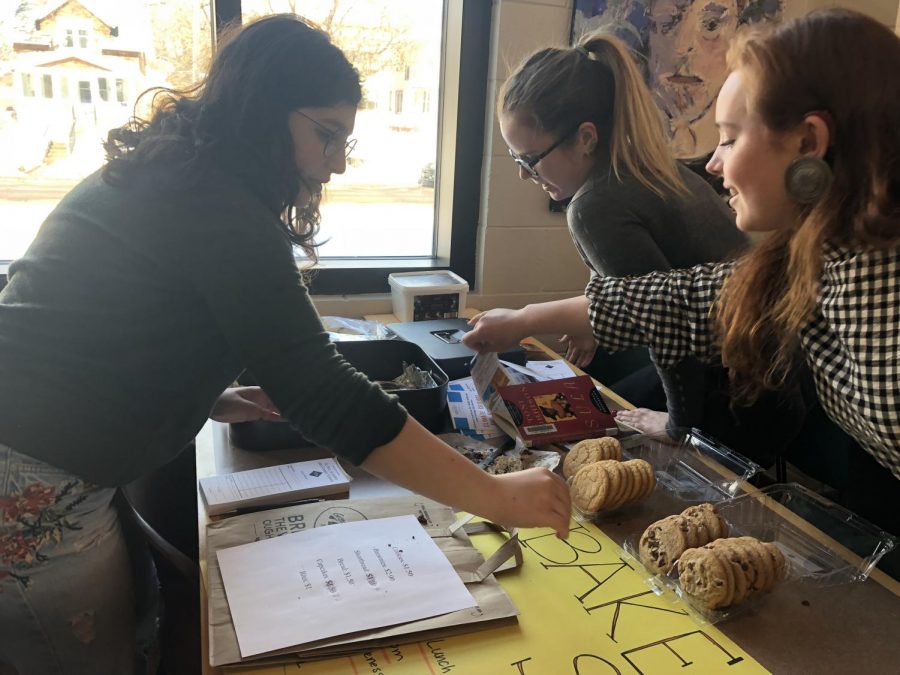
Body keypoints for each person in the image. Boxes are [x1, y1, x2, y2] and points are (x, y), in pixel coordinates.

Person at [0, 15, 570, 673]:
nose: (337, 162)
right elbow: (324, 391)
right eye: (326, 136)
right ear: (259, 112)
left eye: (344, 141)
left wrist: (209, 396)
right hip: (31, 475)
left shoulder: (177, 177)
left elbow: (106, 323)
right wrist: (498, 496)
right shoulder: (220, 208)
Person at [466, 9, 900, 567]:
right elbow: (683, 297)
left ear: (808, 143)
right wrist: (526, 320)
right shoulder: (825, 256)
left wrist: (677, 423)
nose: (715, 165)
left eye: (731, 137)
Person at [493, 29, 749, 442]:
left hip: (742, 389)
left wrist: (676, 426)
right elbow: (640, 288)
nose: (524, 174)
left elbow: (666, 327)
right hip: (763, 375)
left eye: (530, 159)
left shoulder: (594, 206)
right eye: (515, 157)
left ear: (586, 138)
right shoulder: (648, 169)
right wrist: (594, 321)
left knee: (579, 431)